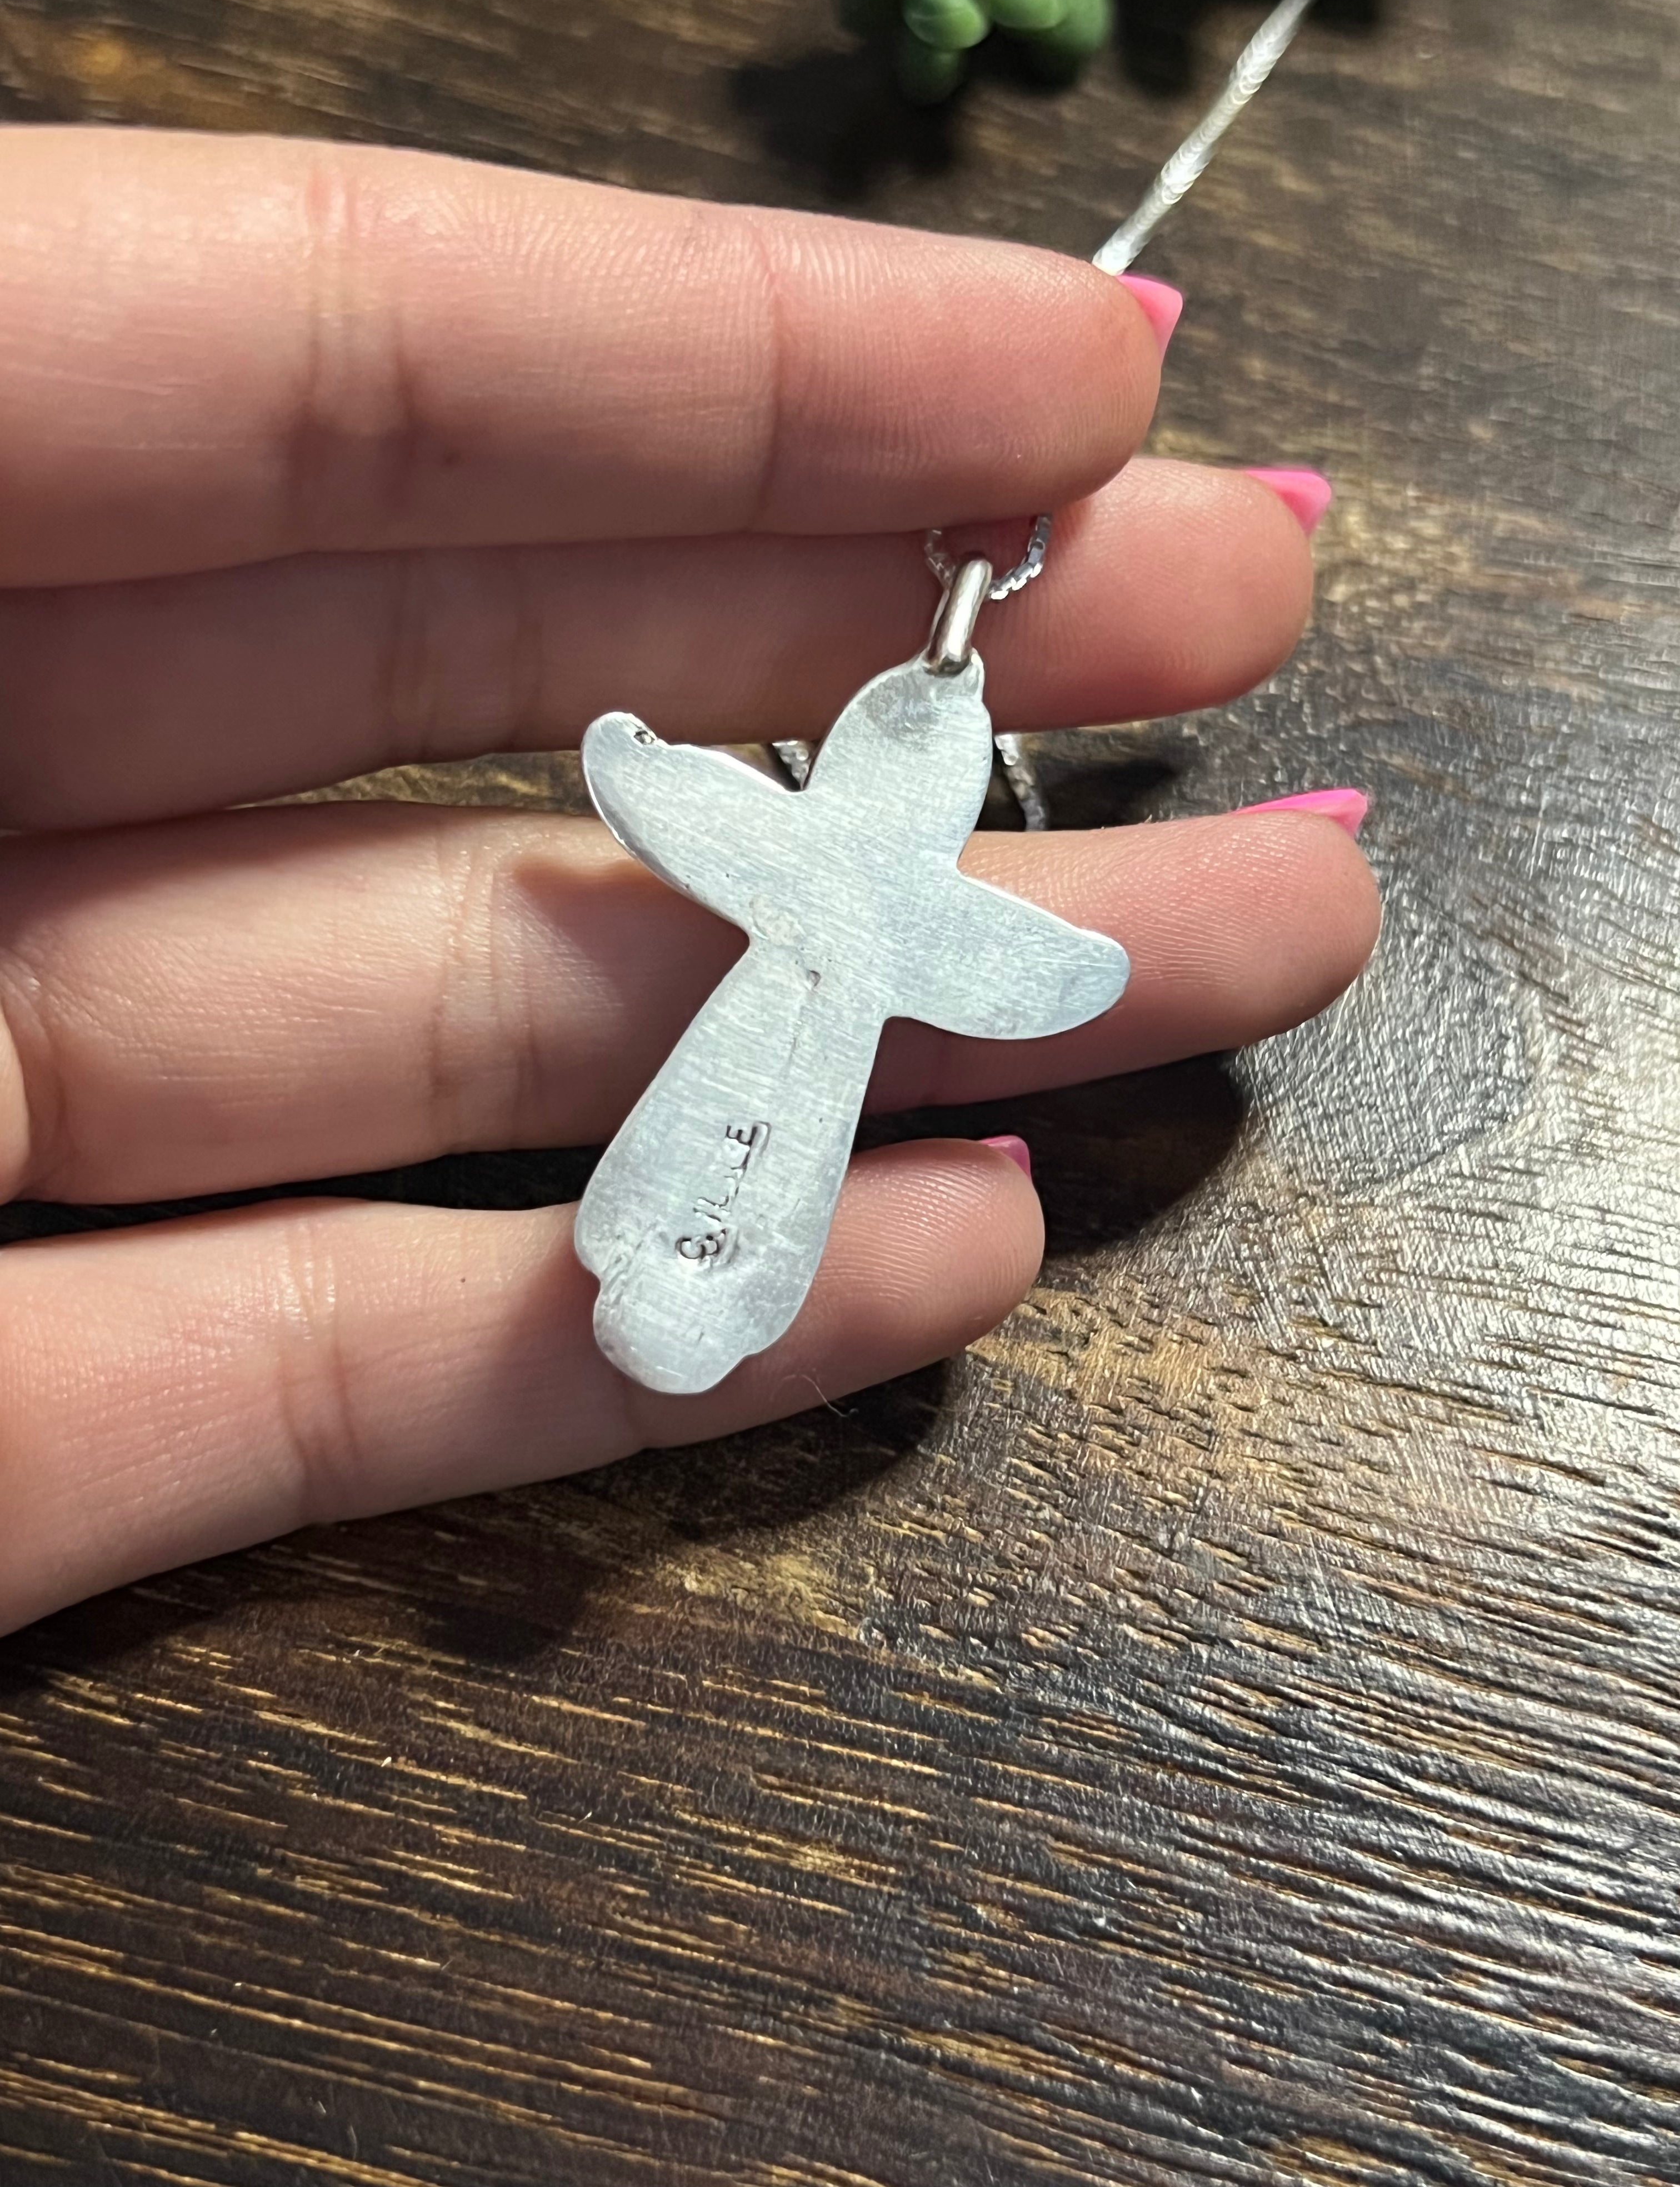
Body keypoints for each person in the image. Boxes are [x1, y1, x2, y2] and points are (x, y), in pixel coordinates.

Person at [0, 128, 1379, 1633]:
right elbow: (1042, 965)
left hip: (771, 1091)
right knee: (728, 1175)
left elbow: (1004, 947)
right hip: (759, 1084)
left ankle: (700, 1283)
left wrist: (657, 766)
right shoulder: (841, 875)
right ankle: (693, 1283)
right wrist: (662, 771)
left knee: (741, 1171)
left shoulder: (819, 862)